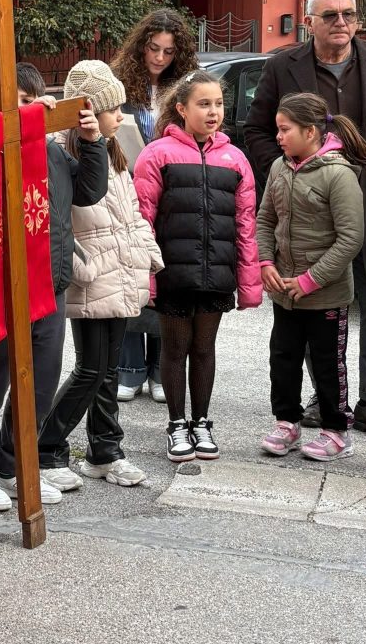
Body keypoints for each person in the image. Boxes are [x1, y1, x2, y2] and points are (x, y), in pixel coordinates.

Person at [245, 0, 366, 443]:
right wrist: (288, 170)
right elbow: (257, 130)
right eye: (330, 16)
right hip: (310, 215)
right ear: (310, 23)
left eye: (348, 14)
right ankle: (325, 399)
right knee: (315, 309)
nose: (341, 23)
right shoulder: (283, 66)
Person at [0, 62, 108, 512]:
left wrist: (94, 142)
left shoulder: (54, 152)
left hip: (49, 285)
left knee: (39, 382)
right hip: (0, 286)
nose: (17, 110)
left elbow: (89, 192)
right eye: (8, 100)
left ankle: (10, 465)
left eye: (26, 101)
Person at [37, 61, 163, 492]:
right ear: (88, 111)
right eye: (113, 109)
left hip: (122, 272)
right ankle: (45, 448)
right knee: (90, 369)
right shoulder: (65, 152)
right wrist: (81, 266)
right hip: (92, 276)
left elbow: (132, 215)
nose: (121, 116)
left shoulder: (113, 149)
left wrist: (150, 257)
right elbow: (58, 223)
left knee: (108, 370)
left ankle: (105, 450)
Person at [133, 70, 262, 463]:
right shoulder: (157, 154)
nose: (213, 112)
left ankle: (202, 421)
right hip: (173, 273)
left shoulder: (236, 159)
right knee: (174, 349)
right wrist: (147, 278)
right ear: (181, 109)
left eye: (219, 104)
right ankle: (176, 424)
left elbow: (245, 226)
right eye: (203, 104)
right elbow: (143, 218)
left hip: (216, 274)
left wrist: (248, 283)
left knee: (204, 349)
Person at [256, 93, 366, 461]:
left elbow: (350, 239)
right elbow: (265, 220)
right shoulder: (279, 167)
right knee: (283, 358)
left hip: (326, 294)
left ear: (310, 131)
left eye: (285, 129)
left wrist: (309, 280)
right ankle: (286, 422)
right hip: (284, 292)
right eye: (277, 129)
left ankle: (337, 432)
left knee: (327, 362)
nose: (278, 136)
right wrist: (266, 263)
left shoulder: (338, 175)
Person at [111, 8, 198, 404]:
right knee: (130, 277)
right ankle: (129, 368)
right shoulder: (119, 83)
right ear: (140, 47)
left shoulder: (186, 87)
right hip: (126, 190)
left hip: (171, 192)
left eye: (168, 51)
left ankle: (162, 369)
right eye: (153, 49)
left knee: (167, 278)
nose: (160, 58)